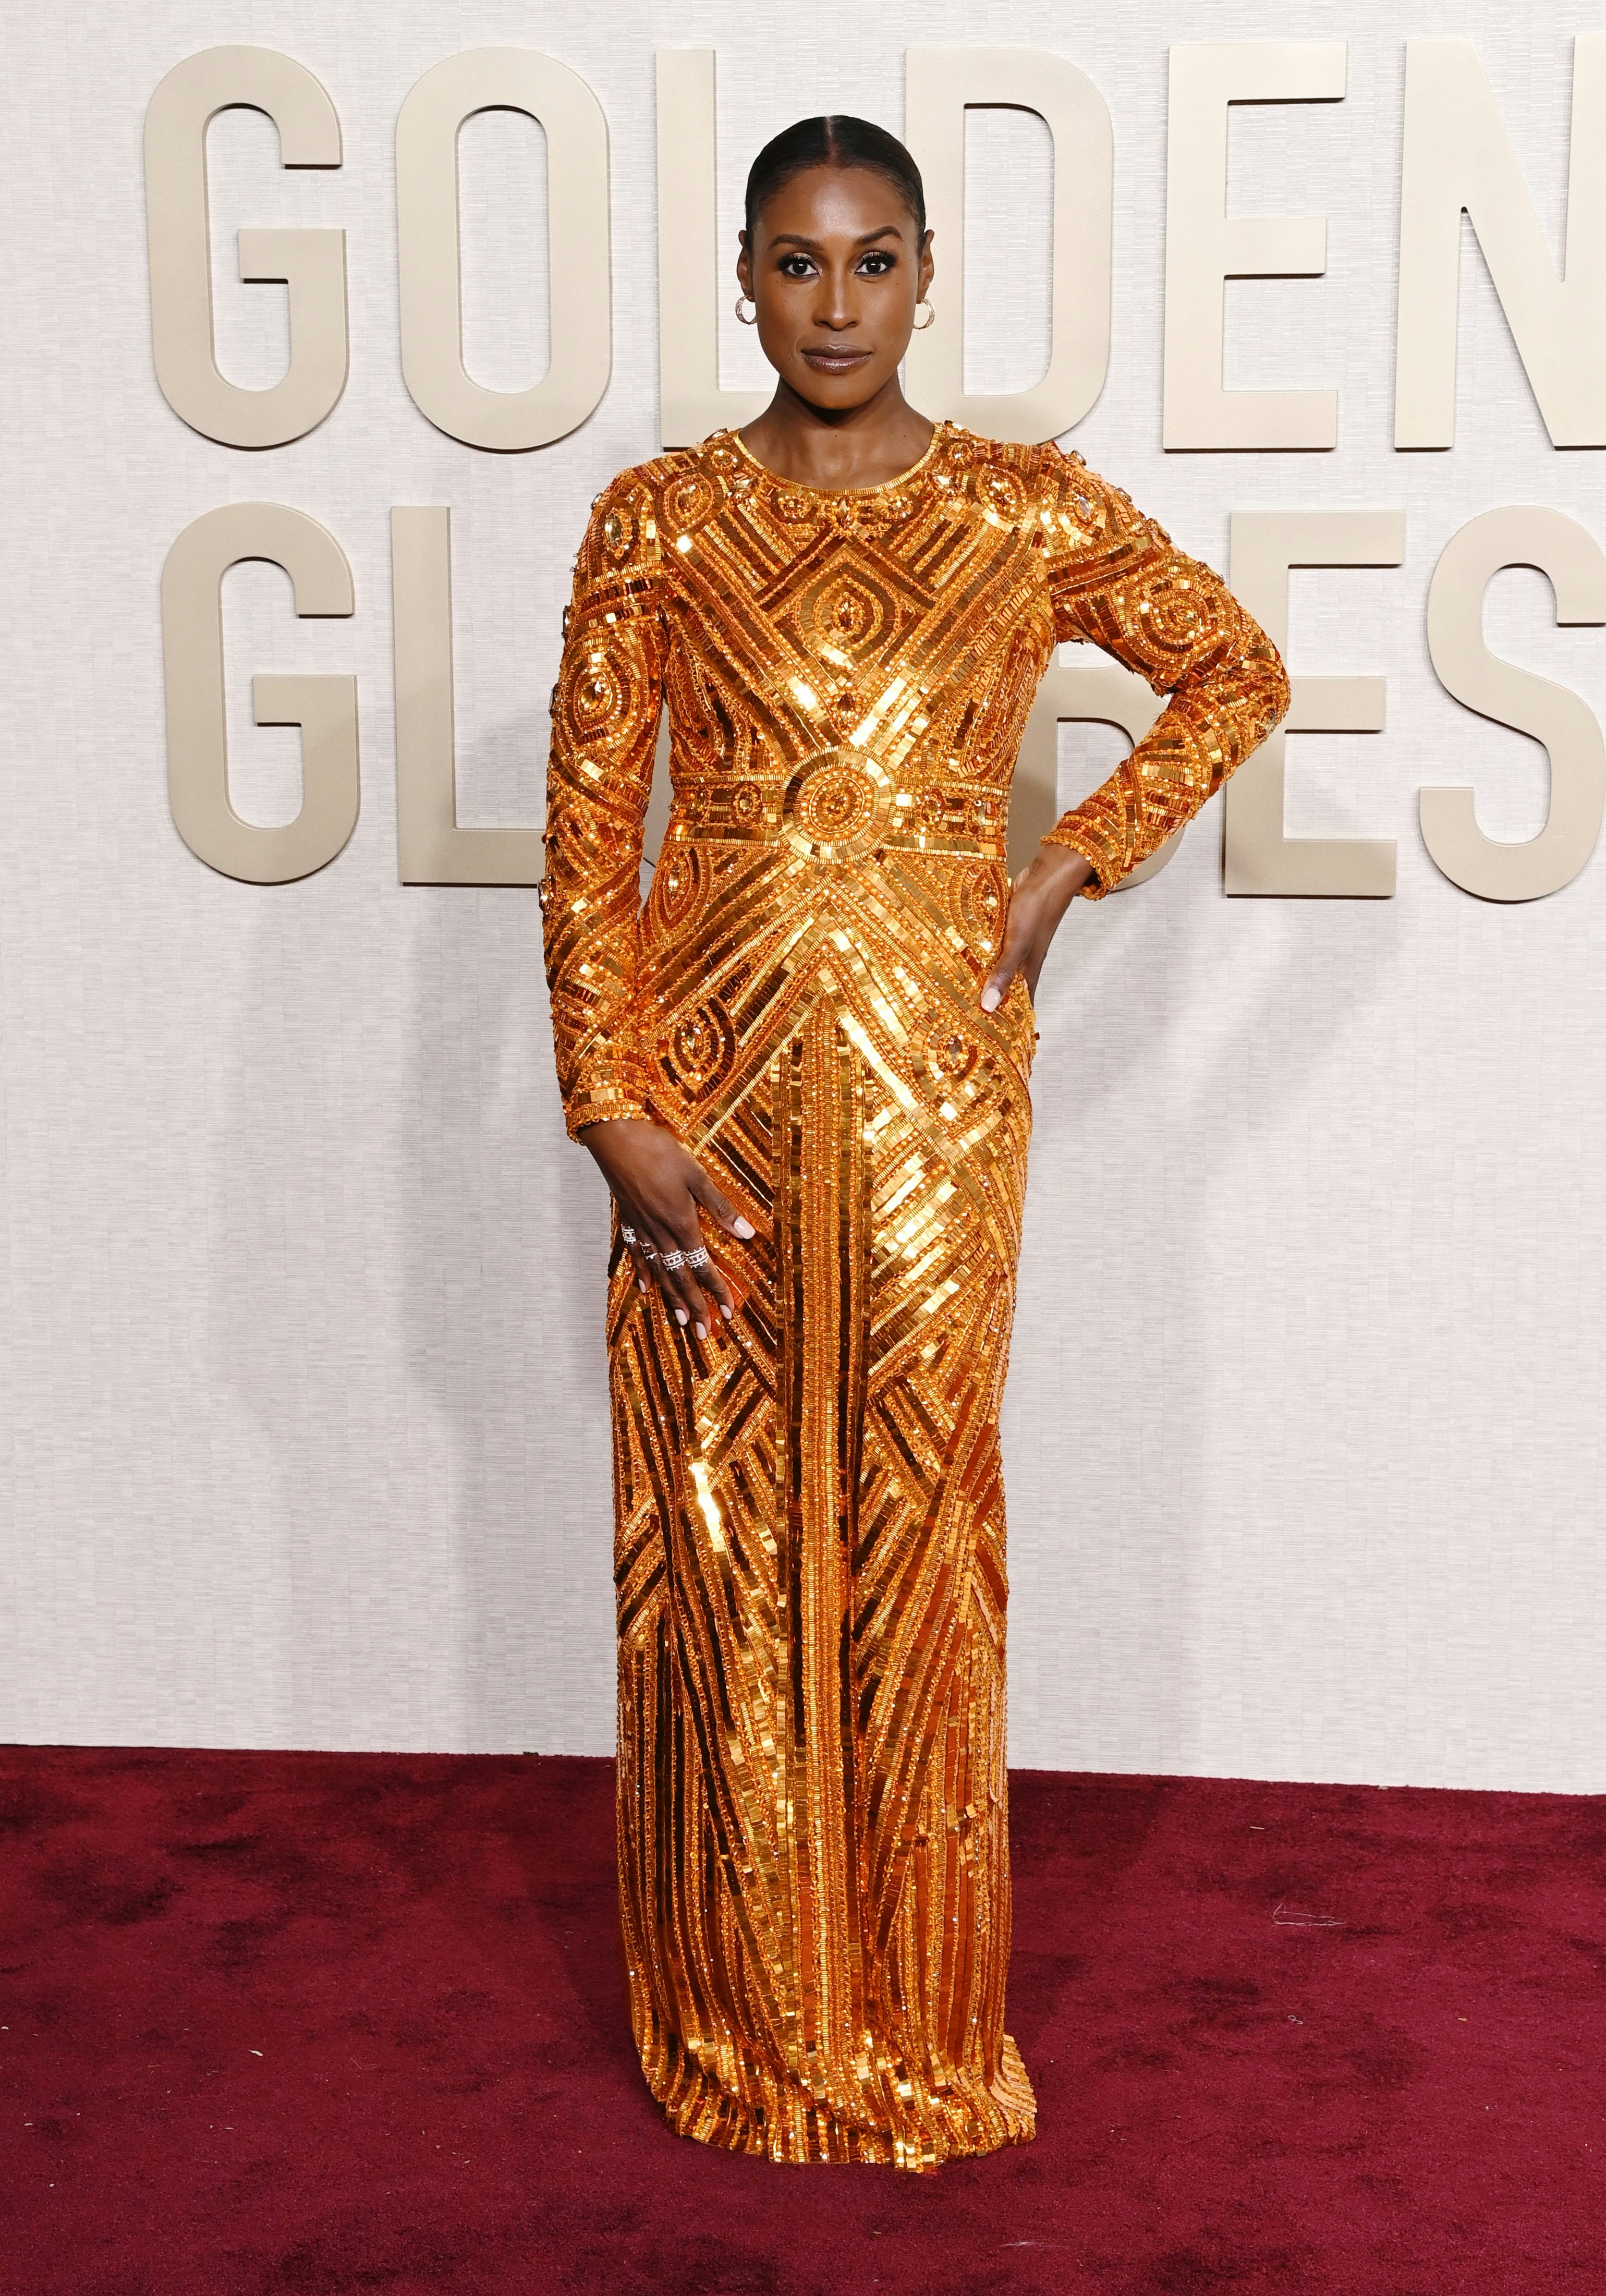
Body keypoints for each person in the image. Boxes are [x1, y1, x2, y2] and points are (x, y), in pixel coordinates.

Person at [539, 115, 1289, 2168]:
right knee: (714, 1529)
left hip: (939, 1106)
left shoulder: (1025, 516)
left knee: (915, 1525)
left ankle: (914, 2010)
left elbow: (1234, 668)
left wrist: (1069, 863)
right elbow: (592, 835)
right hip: (700, 1104)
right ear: (744, 279)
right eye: (797, 262)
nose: (836, 303)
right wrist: (607, 1101)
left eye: (873, 263)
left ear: (929, 275)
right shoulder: (656, 523)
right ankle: (743, 2007)